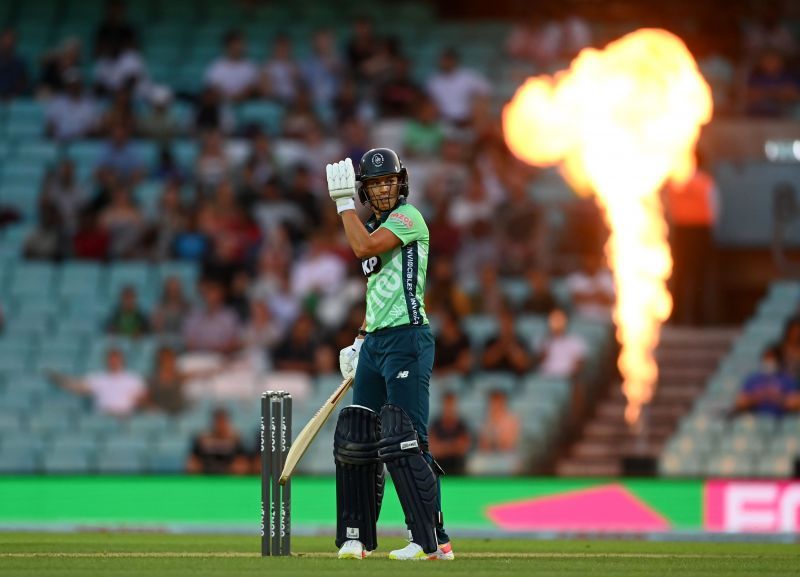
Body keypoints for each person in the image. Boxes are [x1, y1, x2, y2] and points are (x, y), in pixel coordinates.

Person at [327, 148, 454, 560]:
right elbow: (377, 290)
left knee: (406, 439)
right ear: (367, 189)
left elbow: (363, 249)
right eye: (375, 184)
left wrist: (343, 204)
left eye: (388, 181)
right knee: (357, 438)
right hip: (377, 343)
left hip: (408, 340)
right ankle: (356, 537)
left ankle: (427, 540)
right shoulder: (371, 225)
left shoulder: (408, 218)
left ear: (401, 183)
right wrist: (361, 337)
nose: (383, 189)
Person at [51, 348, 146, 417]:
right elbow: (78, 387)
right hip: (102, 417)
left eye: (116, 359)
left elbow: (142, 398)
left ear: (122, 360)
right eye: (111, 359)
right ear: (106, 360)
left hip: (124, 417)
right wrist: (60, 380)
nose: (114, 362)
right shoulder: (98, 378)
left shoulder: (133, 379)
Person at [735, 345, 798, 417]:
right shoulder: (752, 379)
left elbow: (796, 404)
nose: (768, 362)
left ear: (779, 361)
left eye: (772, 359)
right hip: (754, 420)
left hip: (780, 421)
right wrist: (756, 397)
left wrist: (778, 398)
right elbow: (739, 403)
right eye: (766, 358)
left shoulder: (787, 379)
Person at [186, 408, 249, 474]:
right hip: (205, 476)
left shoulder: (236, 440)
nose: (220, 425)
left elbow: (243, 462)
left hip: (229, 477)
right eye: (218, 421)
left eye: (223, 421)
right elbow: (193, 460)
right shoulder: (202, 440)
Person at [535, 308, 587, 379]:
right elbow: (536, 363)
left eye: (560, 319)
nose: (557, 322)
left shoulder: (576, 341)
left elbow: (579, 365)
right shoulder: (541, 340)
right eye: (553, 319)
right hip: (545, 377)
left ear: (566, 321)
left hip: (566, 378)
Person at [428, 391, 472, 475]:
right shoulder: (435, 425)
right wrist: (453, 446)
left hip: (458, 467)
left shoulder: (462, 426)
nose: (449, 408)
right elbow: (433, 449)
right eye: (447, 405)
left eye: (451, 405)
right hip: (438, 467)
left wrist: (442, 447)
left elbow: (463, 448)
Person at [481, 308, 532, 375]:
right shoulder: (490, 340)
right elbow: (486, 363)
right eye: (503, 322)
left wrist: (511, 347)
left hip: (515, 379)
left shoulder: (521, 341)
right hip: (493, 378)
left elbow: (523, 365)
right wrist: (501, 346)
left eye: (509, 322)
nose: (506, 326)